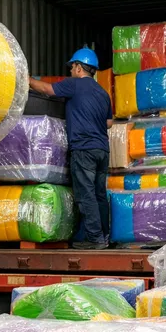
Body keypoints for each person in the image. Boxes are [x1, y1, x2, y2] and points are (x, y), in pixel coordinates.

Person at [29, 48, 112, 249]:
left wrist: (27, 80)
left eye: (72, 67)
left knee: (86, 194)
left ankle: (95, 239)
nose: (70, 71)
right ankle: (105, 236)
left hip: (84, 149)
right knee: (100, 194)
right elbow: (109, 123)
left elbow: (47, 90)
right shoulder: (103, 93)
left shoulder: (74, 84)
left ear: (79, 67)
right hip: (102, 150)